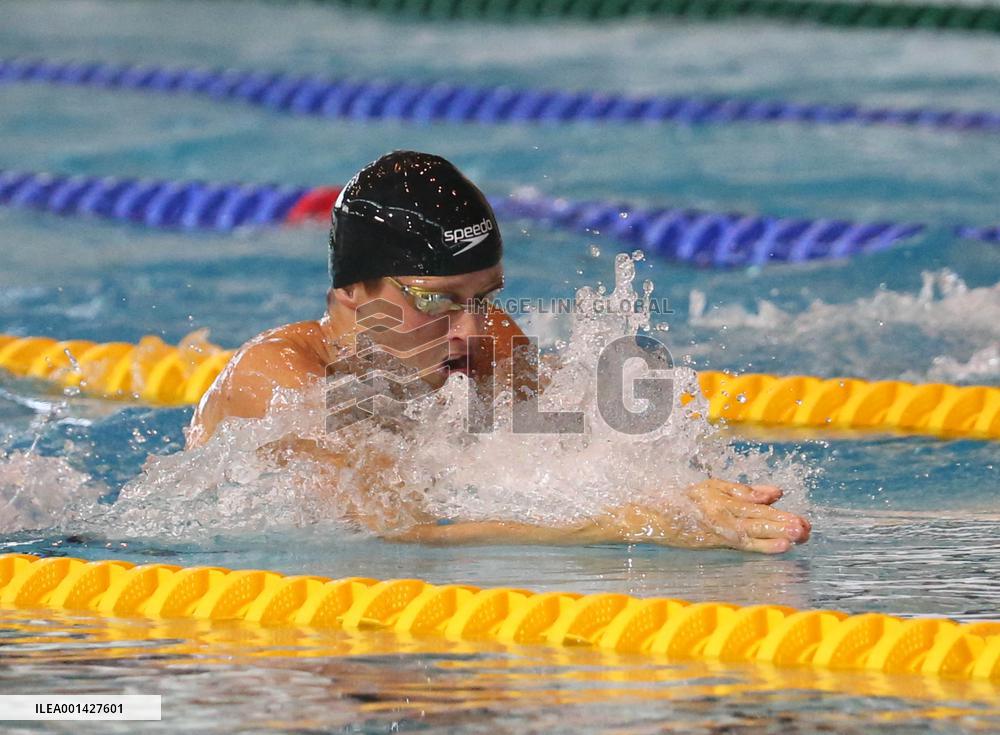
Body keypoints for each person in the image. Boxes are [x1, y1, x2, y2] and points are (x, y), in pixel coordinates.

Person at [187, 150, 810, 553]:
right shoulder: (278, 381)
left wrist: (689, 491)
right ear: (352, 290)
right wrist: (622, 522)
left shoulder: (486, 340)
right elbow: (397, 530)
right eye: (437, 301)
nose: (471, 330)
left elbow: (581, 445)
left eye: (484, 297)